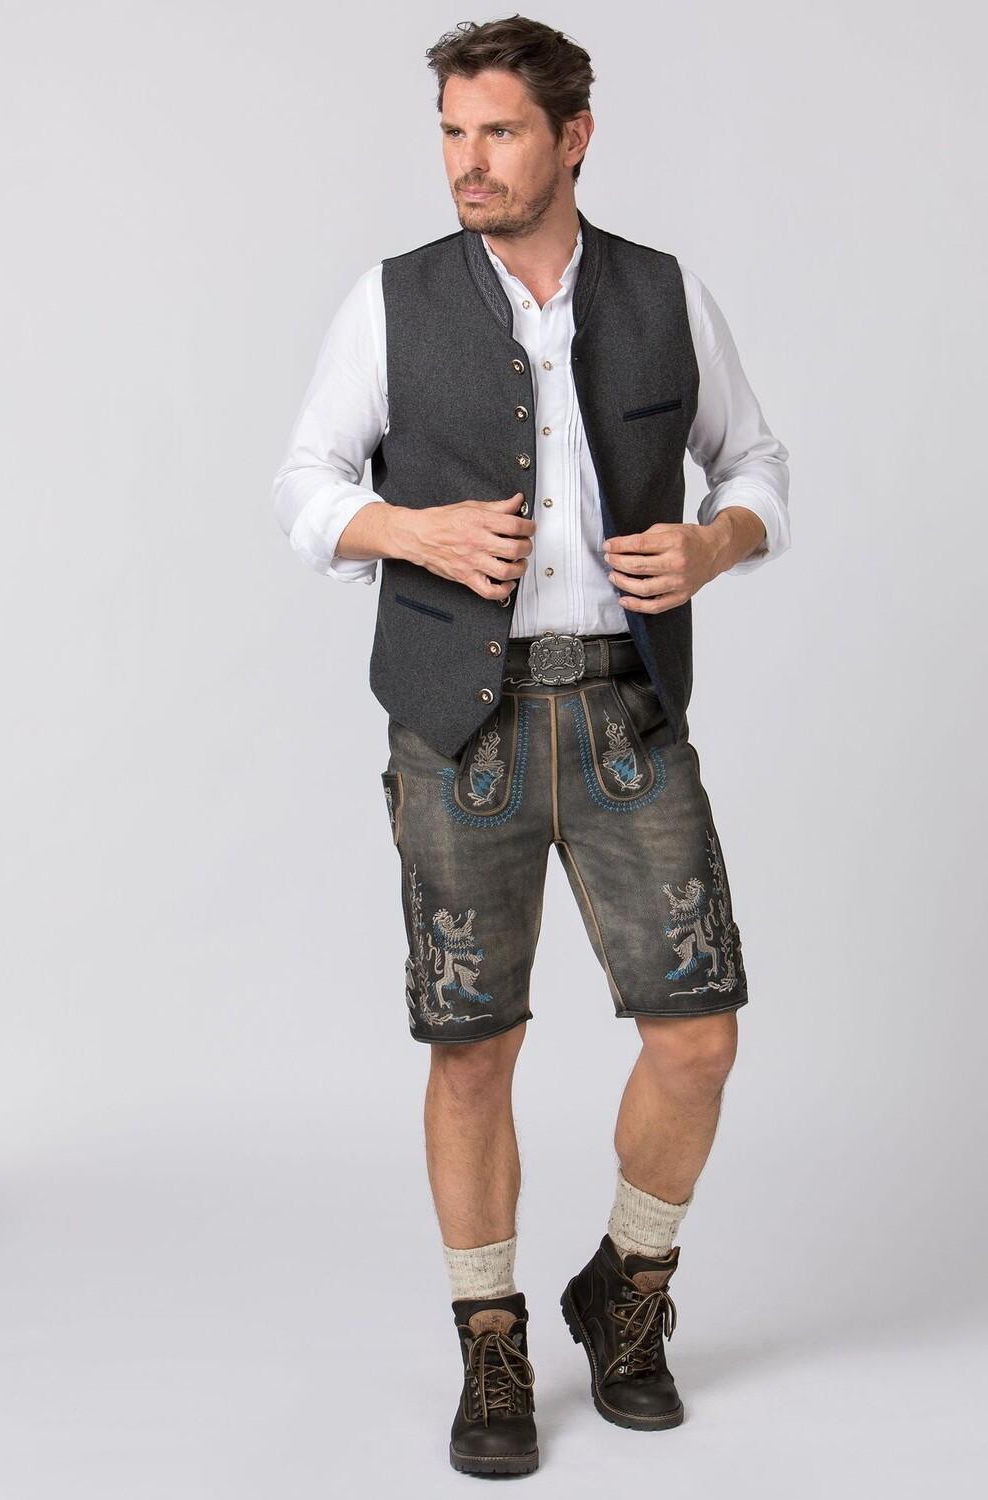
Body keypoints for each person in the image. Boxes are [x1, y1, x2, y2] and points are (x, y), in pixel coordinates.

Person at [272, 15, 790, 1479]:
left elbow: (755, 465)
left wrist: (713, 544)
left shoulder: (665, 293)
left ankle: (627, 1287)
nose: (468, 163)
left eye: (497, 132)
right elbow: (304, 484)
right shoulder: (390, 301)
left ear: (573, 138)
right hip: (463, 729)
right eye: (452, 133)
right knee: (472, 1049)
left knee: (697, 1035)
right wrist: (408, 529)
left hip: (628, 715)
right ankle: (490, 1342)